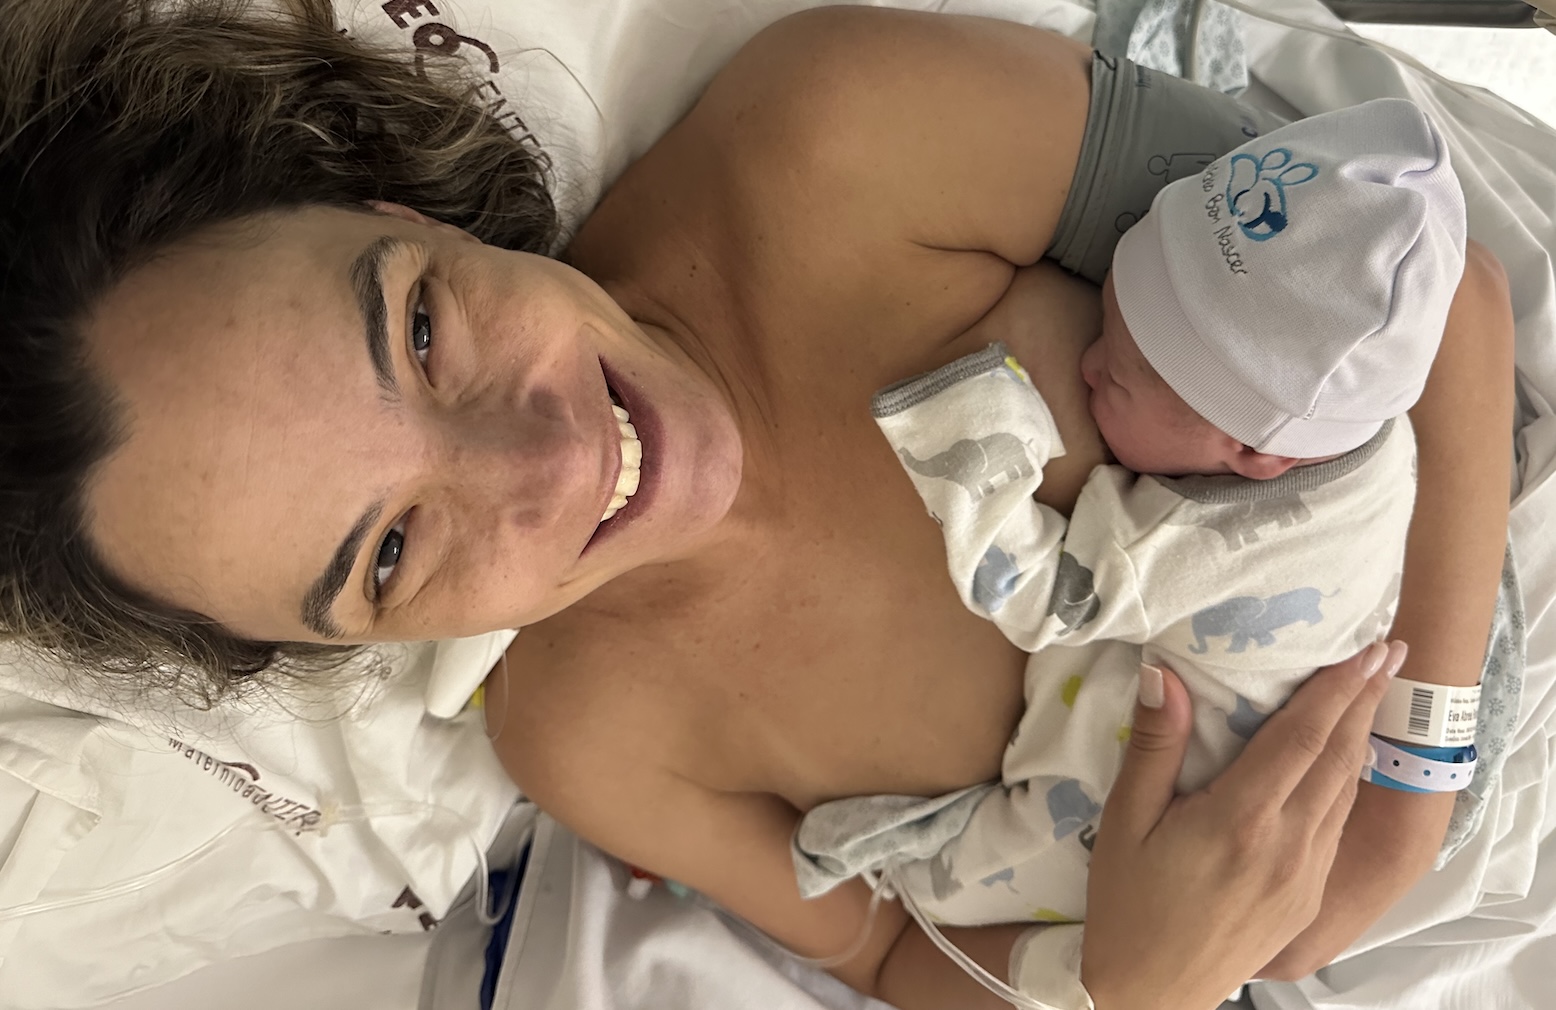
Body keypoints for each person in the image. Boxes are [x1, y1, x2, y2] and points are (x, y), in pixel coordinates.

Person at [0, 3, 1515, 1009]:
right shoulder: (593, 738)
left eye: (419, 329)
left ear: (390, 212)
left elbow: (1432, 295)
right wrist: (1129, 985)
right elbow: (888, 951)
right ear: (344, 643)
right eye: (389, 550)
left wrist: (1404, 806)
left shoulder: (839, 142)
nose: (550, 461)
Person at [789, 98, 1472, 1005]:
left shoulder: (1202, 543)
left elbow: (1039, 595)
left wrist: (970, 440)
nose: (1086, 364)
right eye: (1106, 324)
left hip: (1161, 821)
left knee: (965, 881)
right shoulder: (1371, 435)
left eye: (1117, 374)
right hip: (1275, 781)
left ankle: (904, 864)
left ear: (1252, 453)